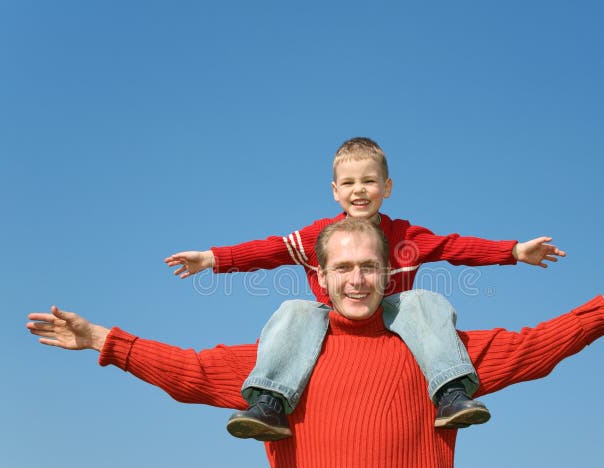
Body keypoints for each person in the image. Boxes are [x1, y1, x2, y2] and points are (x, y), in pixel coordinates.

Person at [28, 218, 604, 468]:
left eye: (368, 266)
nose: (356, 279)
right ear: (322, 276)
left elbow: (535, 347)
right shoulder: (284, 361)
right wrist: (103, 340)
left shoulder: (436, 352)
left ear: (389, 272)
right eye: (341, 268)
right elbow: (193, 372)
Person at [163, 137, 567, 440]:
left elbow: (455, 247)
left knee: (422, 300)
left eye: (369, 181)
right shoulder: (317, 235)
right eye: (349, 182)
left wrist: (513, 251)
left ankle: (449, 393)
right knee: (295, 310)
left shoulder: (404, 235)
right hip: (334, 321)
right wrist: (211, 258)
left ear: (386, 187)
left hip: (390, 320)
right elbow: (267, 250)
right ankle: (269, 403)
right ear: (335, 191)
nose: (359, 190)